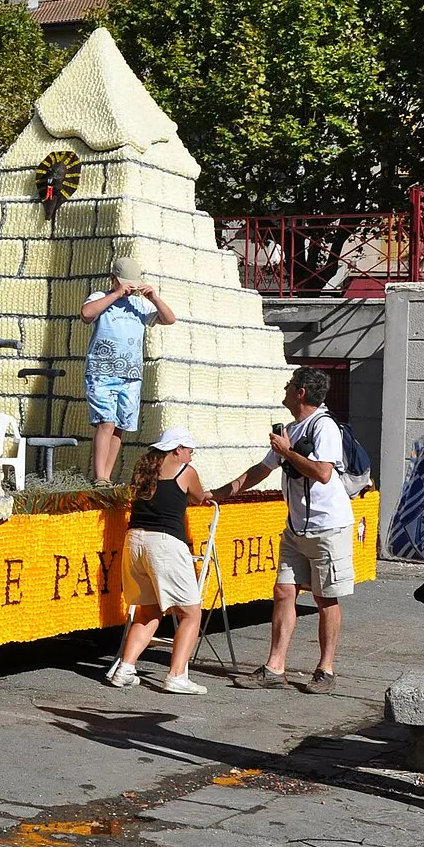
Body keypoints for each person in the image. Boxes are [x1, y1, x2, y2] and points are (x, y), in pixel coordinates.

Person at [216, 367, 353, 694]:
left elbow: (322, 473)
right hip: (296, 527)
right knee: (283, 591)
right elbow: (262, 470)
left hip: (328, 526)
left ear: (302, 392)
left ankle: (326, 670)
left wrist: (287, 452)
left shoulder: (325, 426)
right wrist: (223, 491)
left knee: (325, 599)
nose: (286, 388)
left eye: (291, 385)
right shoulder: (291, 429)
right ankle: (275, 667)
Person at [106, 427, 216, 693]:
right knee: (190, 613)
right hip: (165, 544)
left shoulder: (144, 470)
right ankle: (177, 675)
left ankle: (126, 668)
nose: (191, 456)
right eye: (189, 451)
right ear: (177, 450)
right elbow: (200, 498)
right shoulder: (185, 472)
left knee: (148, 611)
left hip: (135, 542)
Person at [80, 257, 176, 486]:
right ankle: (99, 476)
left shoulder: (140, 305)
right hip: (102, 371)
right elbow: (86, 314)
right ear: (113, 279)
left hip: (131, 375)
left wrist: (153, 297)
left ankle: (107, 475)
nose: (129, 289)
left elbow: (169, 319)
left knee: (119, 427)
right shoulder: (100, 297)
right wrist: (115, 294)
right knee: (106, 422)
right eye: (124, 283)